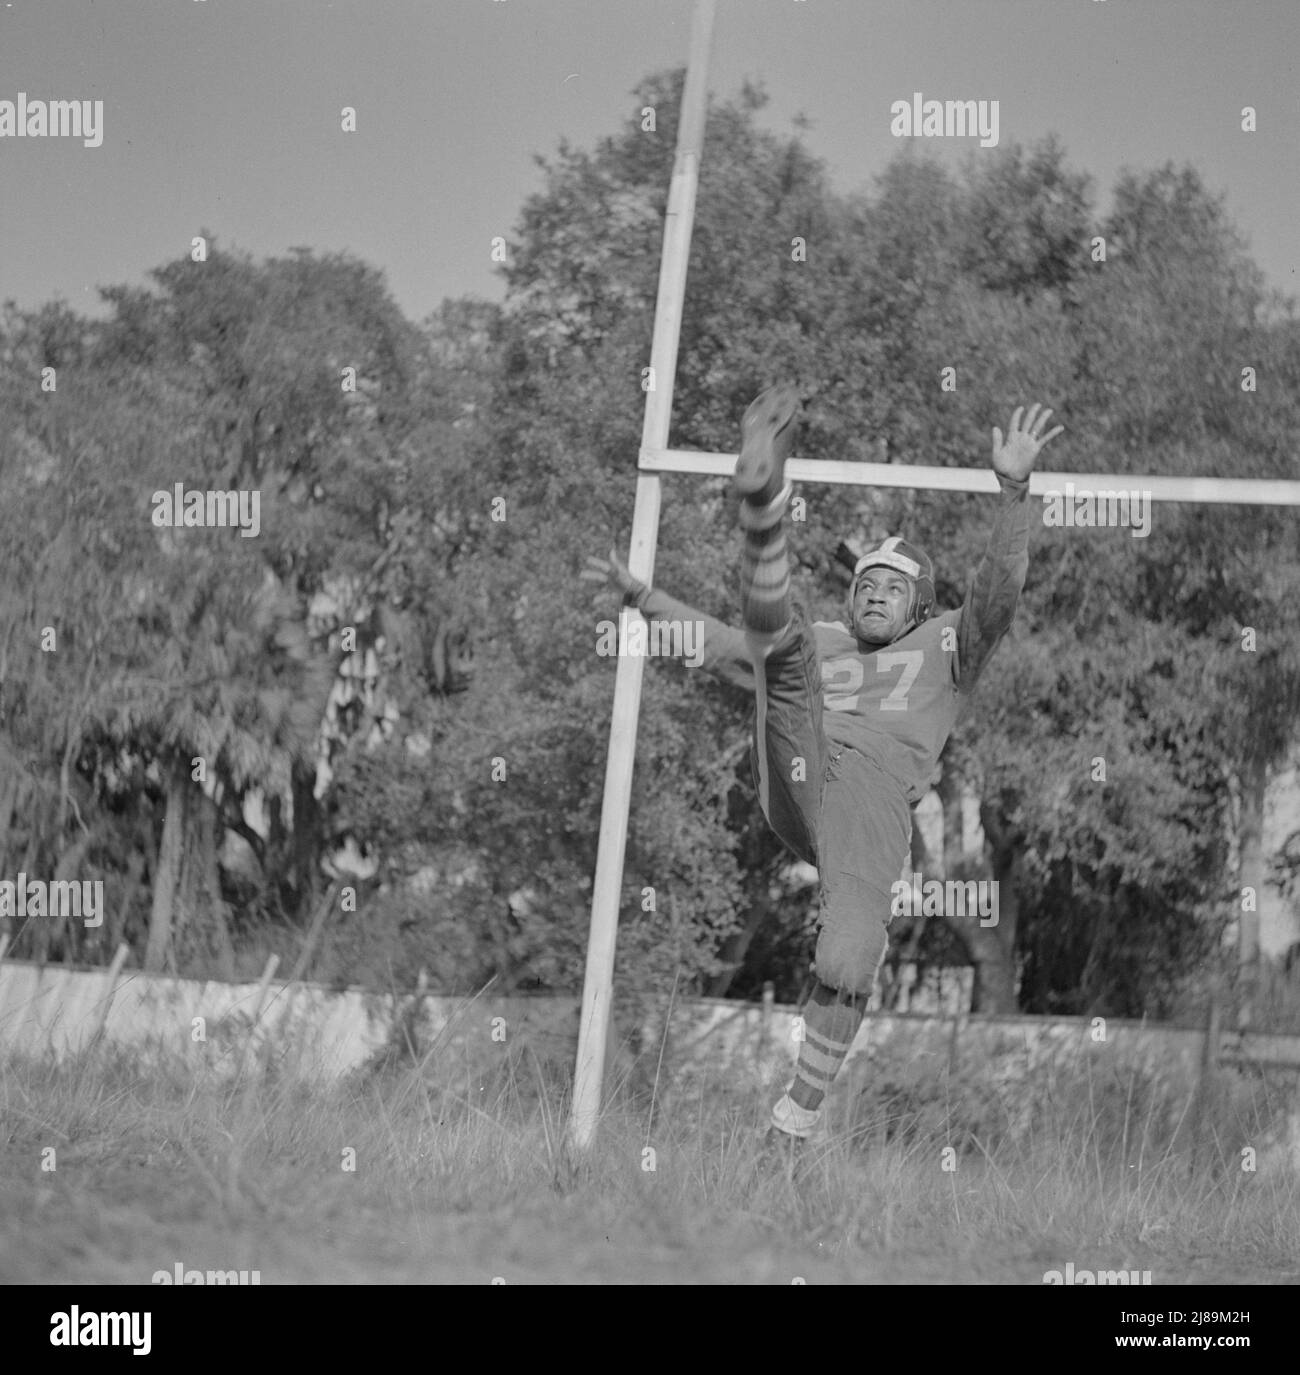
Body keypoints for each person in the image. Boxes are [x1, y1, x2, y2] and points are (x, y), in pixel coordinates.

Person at [583, 385, 1063, 1145]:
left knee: (845, 960)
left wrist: (1014, 491)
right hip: (799, 761)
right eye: (864, 585)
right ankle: (763, 506)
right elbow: (715, 642)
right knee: (786, 648)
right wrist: (645, 598)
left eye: (890, 589)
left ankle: (793, 1122)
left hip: (872, 801)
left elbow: (999, 592)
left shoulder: (949, 645)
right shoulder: (829, 638)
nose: (872, 595)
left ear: (920, 605)